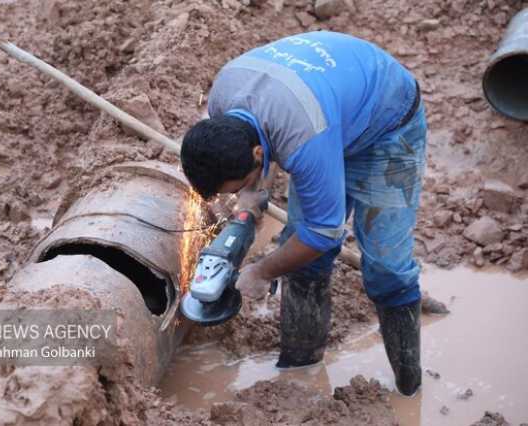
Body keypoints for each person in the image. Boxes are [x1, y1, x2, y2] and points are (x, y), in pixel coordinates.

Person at [180, 30, 427, 397]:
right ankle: (299, 369)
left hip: (386, 126)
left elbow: (323, 232)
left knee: (387, 268)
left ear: (258, 157)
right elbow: (261, 138)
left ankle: (409, 387)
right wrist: (248, 198)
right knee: (302, 257)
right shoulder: (222, 102)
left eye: (234, 187)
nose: (234, 196)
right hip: (326, 111)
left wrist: (262, 271)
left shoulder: (303, 141)